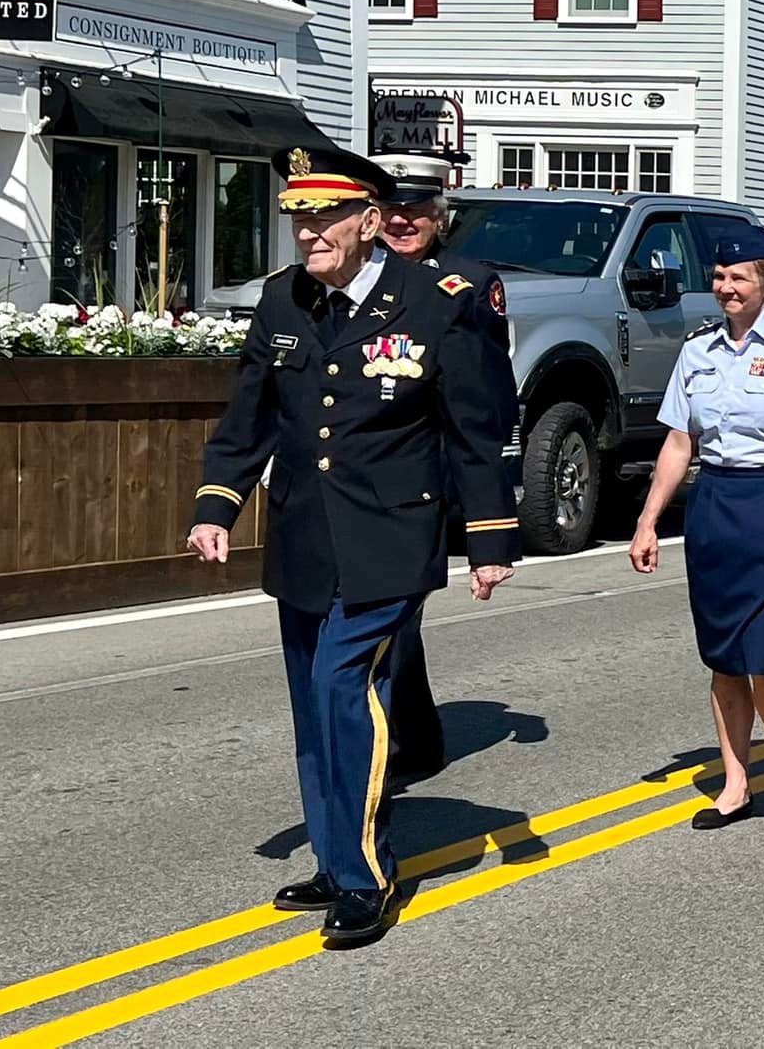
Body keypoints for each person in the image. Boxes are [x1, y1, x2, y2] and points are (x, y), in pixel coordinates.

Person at [187, 146, 520, 946]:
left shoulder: (440, 301)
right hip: (304, 533)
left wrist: (490, 537)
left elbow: (478, 426)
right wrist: (216, 506)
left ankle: (369, 875)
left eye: (325, 217)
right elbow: (251, 417)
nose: (309, 234)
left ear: (370, 223)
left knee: (344, 689)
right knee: (313, 707)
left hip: (391, 531)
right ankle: (336, 860)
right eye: (300, 219)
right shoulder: (282, 303)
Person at [630, 228, 764, 839]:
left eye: (738, 278)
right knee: (723, 657)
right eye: (719, 278)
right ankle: (736, 781)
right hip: (715, 504)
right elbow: (678, 441)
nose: (725, 288)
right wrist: (648, 520)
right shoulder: (698, 349)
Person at [367, 150, 466, 787]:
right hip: (357, 476)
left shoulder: (459, 290)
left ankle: (399, 741)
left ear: (439, 220)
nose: (404, 223)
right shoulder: (350, 285)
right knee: (388, 618)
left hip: (421, 476)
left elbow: (477, 401)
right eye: (394, 213)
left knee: (397, 614)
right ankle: (414, 733)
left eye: (418, 213)